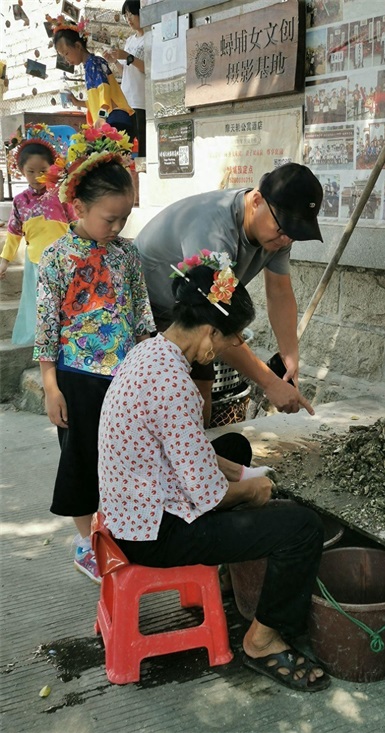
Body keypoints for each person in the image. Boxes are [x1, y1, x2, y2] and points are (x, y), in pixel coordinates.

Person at [97, 261, 331, 693]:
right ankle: (263, 641)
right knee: (300, 527)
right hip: (152, 533)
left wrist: (241, 472)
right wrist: (252, 491)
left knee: (236, 448)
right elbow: (210, 495)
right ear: (208, 332)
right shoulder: (173, 384)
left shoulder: (149, 351)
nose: (234, 345)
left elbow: (186, 452)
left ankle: (229, 573)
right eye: (232, 337)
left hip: (129, 510)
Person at [34, 124, 155, 583]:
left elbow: (141, 317)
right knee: (81, 460)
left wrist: (148, 366)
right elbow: (47, 329)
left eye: (124, 218)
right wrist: (51, 386)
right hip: (76, 380)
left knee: (125, 457)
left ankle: (120, 528)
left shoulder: (127, 255)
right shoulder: (56, 259)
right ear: (78, 207)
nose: (117, 227)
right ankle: (86, 541)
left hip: (124, 379)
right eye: (110, 218)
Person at [134, 163, 323, 425]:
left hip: (198, 311)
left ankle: (197, 455)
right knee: (176, 390)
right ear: (257, 200)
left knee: (202, 384)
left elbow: (279, 292)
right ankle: (176, 459)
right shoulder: (213, 232)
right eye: (282, 229)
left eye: (294, 235)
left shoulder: (277, 235)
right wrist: (269, 382)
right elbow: (217, 319)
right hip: (150, 305)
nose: (285, 241)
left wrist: (289, 354)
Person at [0, 125, 74, 345]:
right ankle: (45, 342)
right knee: (41, 304)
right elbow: (14, 232)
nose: (36, 176)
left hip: (65, 260)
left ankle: (66, 339)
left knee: (65, 302)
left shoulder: (61, 194)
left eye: (42, 171)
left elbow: (76, 223)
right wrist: (4, 260)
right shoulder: (20, 201)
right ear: (21, 170)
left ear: (52, 168)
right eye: (30, 171)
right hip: (36, 263)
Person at [47, 14, 135, 139]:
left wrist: (102, 116)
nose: (66, 60)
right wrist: (78, 102)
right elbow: (97, 100)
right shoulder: (90, 65)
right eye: (63, 56)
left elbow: (105, 93)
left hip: (114, 120)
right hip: (110, 119)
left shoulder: (94, 63)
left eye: (66, 53)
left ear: (78, 46)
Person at [103, 1, 146, 157]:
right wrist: (114, 61)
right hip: (125, 101)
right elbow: (125, 71)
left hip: (141, 101)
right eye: (126, 15)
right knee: (122, 146)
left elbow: (148, 68)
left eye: (131, 14)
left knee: (143, 147)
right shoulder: (130, 40)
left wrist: (127, 57)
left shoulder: (151, 37)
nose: (128, 19)